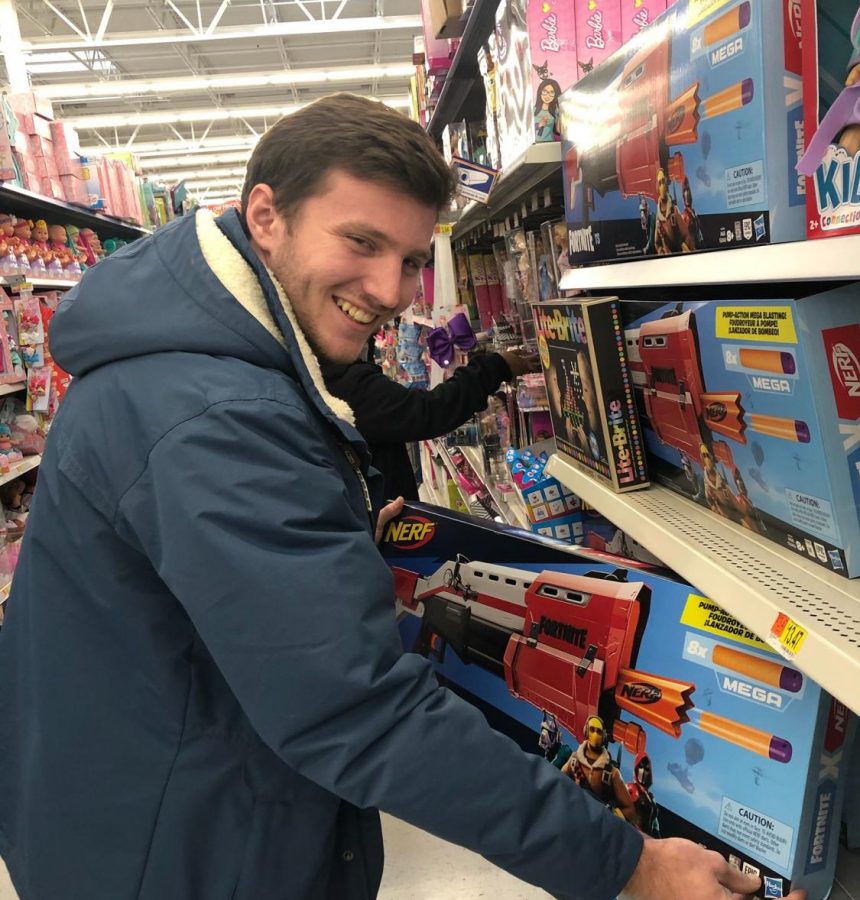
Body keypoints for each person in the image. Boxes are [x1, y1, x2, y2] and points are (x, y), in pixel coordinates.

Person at [0, 93, 803, 900]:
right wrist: (630, 865)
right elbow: (358, 711)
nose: (391, 290)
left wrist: (339, 537)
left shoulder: (203, 363)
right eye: (361, 241)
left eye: (414, 258)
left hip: (146, 808)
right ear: (266, 216)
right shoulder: (216, 417)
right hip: (178, 856)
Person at [321, 342, 538, 500]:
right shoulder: (343, 382)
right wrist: (496, 367)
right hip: (381, 524)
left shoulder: (323, 374)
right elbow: (427, 411)